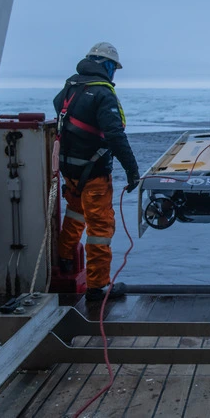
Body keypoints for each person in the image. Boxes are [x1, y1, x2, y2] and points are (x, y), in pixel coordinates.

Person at [53, 42, 140, 302]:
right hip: (94, 174)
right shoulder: (103, 94)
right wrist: (132, 170)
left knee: (75, 213)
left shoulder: (71, 88)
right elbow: (114, 134)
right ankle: (97, 287)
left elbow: (60, 112)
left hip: (71, 170)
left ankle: (64, 259)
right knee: (100, 228)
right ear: (108, 66)